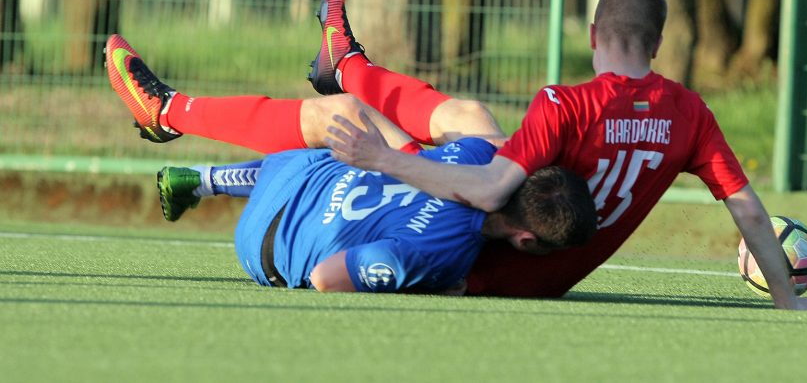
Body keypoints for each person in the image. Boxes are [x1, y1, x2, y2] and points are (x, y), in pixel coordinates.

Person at [105, 0, 807, 309]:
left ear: (592, 37)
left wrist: (386, 158)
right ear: (660, 41)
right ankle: (347, 65)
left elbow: (486, 193)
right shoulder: (689, 113)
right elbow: (744, 209)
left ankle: (170, 109)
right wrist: (790, 302)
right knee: (471, 119)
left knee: (339, 128)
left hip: (480, 251)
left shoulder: (567, 103)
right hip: (543, 257)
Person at [156, 144, 595, 294]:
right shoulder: (445, 259)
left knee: (329, 157)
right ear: (525, 241)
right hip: (260, 248)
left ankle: (204, 180)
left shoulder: (479, 152)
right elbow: (326, 277)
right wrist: (436, 289)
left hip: (294, 174)